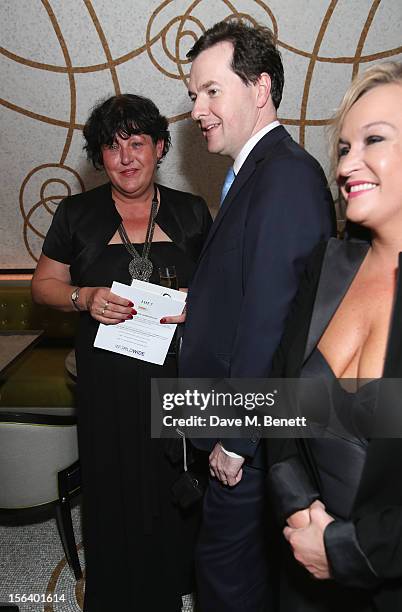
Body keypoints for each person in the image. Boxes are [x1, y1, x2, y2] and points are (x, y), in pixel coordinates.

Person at [177, 20, 335, 612]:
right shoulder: (255, 172)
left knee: (226, 574)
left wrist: (237, 441)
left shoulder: (284, 176)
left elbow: (273, 322)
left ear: (260, 87)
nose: (198, 109)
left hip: (255, 432)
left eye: (211, 91)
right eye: (195, 94)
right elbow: (254, 290)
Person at [31, 94, 212, 612]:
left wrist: (199, 305)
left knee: (173, 480)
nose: (126, 157)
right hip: (106, 379)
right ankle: (115, 588)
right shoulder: (77, 213)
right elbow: (43, 285)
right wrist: (81, 297)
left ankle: (176, 581)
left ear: (159, 148)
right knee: (111, 484)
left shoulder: (192, 212)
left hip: (175, 376)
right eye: (112, 147)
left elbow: (221, 290)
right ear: (99, 156)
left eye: (138, 144)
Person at [267, 61, 402, 612]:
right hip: (303, 573)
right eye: (344, 147)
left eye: (374, 139)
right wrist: (301, 512)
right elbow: (280, 399)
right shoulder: (329, 263)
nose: (348, 164)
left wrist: (348, 551)